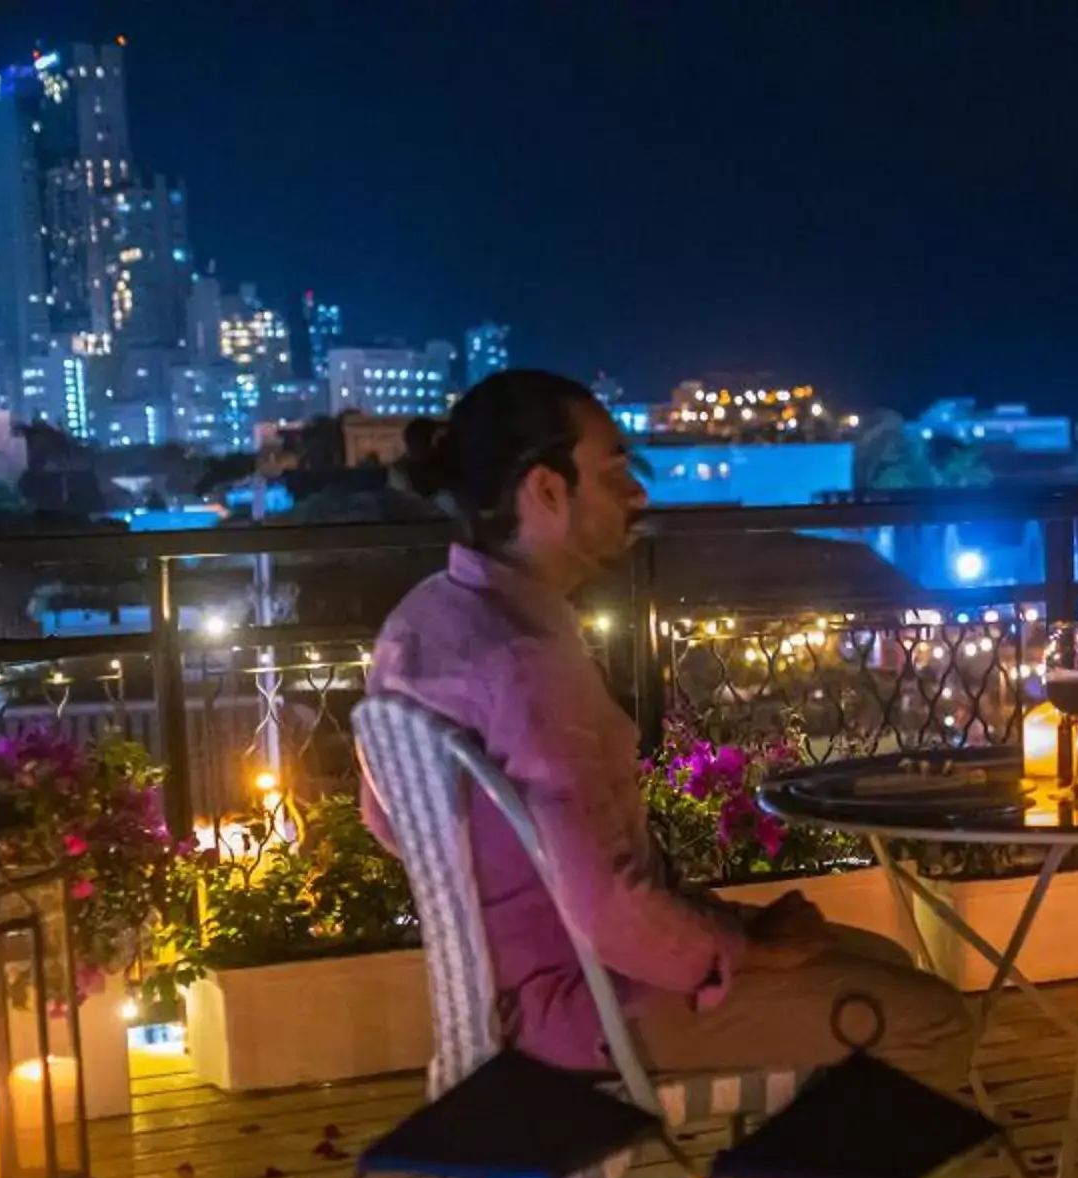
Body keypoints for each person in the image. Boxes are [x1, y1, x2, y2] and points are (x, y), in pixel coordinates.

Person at [363, 369, 972, 1089]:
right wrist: (737, 950)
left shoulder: (423, 623)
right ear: (547, 492)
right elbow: (608, 911)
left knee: (884, 965)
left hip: (502, 996)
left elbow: (384, 819)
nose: (638, 494)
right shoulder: (524, 665)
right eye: (616, 469)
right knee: (934, 1020)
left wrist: (730, 935)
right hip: (586, 1009)